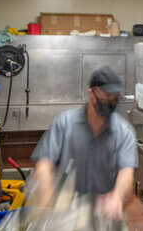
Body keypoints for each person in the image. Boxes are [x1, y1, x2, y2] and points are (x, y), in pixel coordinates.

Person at [31, 66, 137, 218]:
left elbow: (126, 172)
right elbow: (44, 164)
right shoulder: (64, 124)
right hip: (66, 213)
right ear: (91, 93)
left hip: (105, 214)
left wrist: (117, 197)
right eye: (105, 97)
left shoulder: (124, 132)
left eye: (114, 99)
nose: (109, 102)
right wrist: (46, 198)